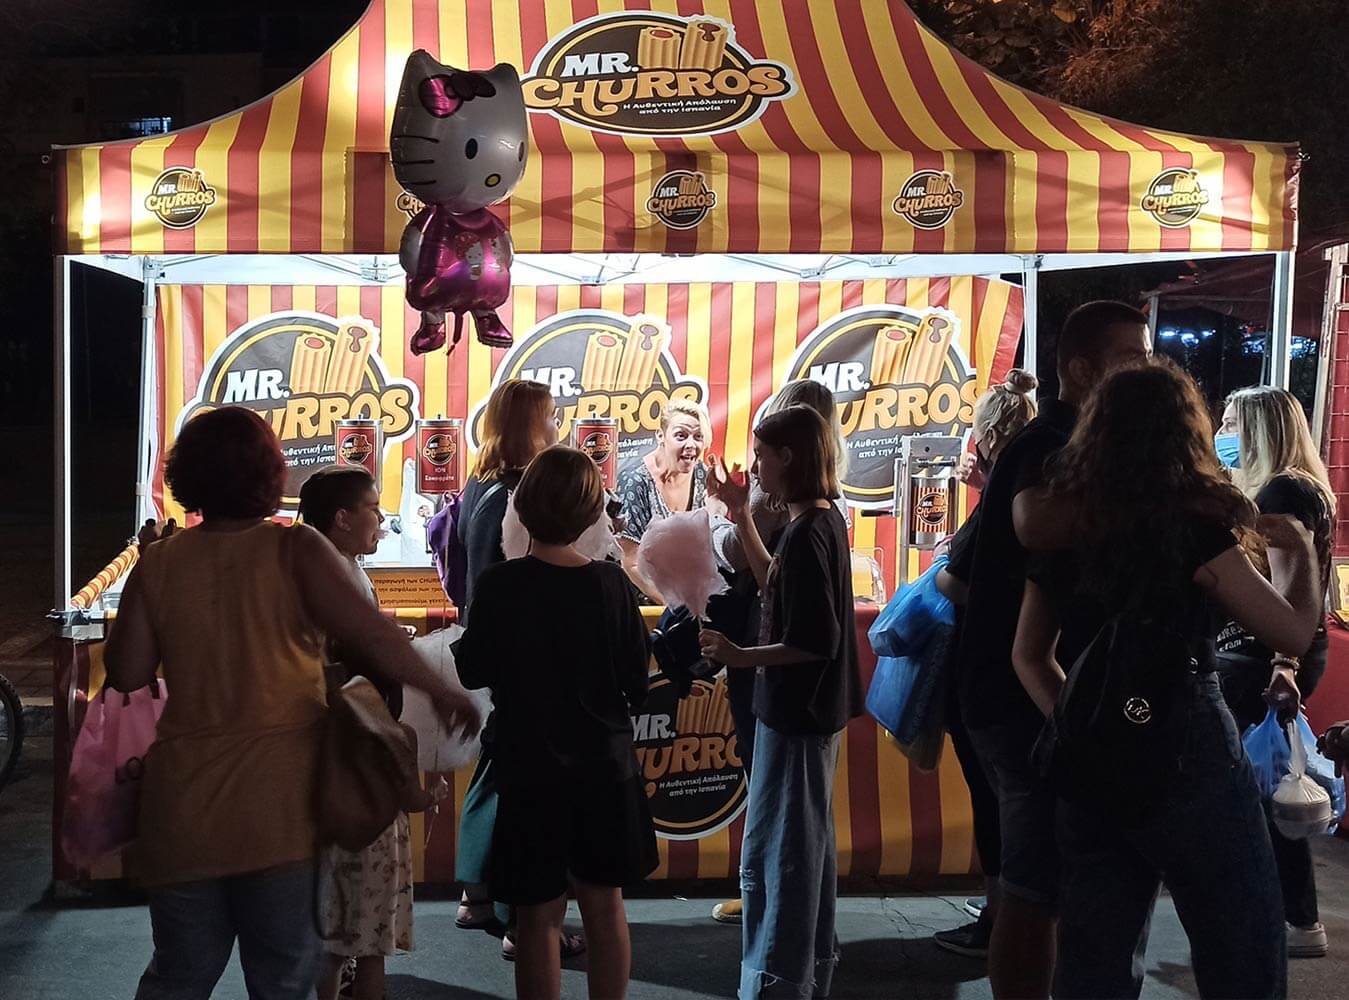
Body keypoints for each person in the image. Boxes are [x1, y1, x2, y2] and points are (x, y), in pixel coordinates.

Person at [104, 406, 480, 1000]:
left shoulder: (162, 562)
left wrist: (149, 571)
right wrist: (444, 691)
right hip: (277, 810)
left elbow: (126, 674)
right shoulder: (295, 549)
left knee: (178, 977)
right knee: (282, 982)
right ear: (268, 473)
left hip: (182, 809)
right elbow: (372, 635)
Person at [1012, 359, 1321, 999]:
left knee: (1094, 952)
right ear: (1187, 433)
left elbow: (1029, 655)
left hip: (1088, 762)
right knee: (1241, 935)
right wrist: (1297, 549)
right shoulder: (1195, 531)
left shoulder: (1064, 530)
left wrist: (1084, 720)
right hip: (1191, 748)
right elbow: (1290, 632)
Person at [954, 301, 1150, 1000]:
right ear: (1082, 368)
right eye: (1131, 357)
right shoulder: (1052, 443)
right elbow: (1031, 525)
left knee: (1050, 881)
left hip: (1039, 695)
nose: (1146, 370)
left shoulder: (1075, 444)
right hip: (1025, 700)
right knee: (1034, 884)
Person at [454, 446, 658, 1000]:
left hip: (530, 771)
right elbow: (636, 683)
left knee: (536, 916)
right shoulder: (612, 586)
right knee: (604, 907)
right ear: (592, 512)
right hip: (603, 768)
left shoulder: (500, 585)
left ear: (521, 506)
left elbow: (473, 669)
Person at [700, 405, 863, 1000]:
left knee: (785, 856)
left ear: (788, 458)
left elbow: (816, 642)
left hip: (797, 716)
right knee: (794, 849)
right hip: (799, 716)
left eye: (762, 456)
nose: (756, 469)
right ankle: (802, 972)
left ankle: (780, 980)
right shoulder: (817, 522)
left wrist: (740, 655)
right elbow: (776, 584)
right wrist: (742, 515)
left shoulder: (811, 530)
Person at [298, 467, 448, 1000]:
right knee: (360, 940)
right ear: (342, 519)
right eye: (372, 509)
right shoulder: (329, 575)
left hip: (341, 759)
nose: (382, 522)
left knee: (333, 934)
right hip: (350, 756)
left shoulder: (340, 569)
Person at [451, 379, 585, 962]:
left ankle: (478, 893)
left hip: (489, 652)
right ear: (532, 424)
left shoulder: (477, 486)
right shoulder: (517, 493)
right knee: (523, 789)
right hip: (524, 659)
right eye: (551, 417)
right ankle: (520, 918)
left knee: (495, 768)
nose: (558, 426)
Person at [1214, 386, 1337, 958]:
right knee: (1265, 787)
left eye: (1232, 423)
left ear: (1261, 429)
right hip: (1272, 655)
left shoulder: (1282, 492)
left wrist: (1284, 666)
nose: (1222, 434)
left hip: (1262, 658)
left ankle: (1293, 920)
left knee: (1261, 793)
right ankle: (1288, 917)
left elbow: (1291, 589)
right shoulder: (1304, 487)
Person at [931, 369, 1038, 959]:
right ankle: (1011, 910)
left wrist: (941, 575)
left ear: (989, 434)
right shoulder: (1031, 486)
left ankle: (1004, 917)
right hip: (1018, 670)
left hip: (993, 671)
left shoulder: (1007, 494)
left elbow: (963, 580)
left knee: (998, 798)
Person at [617, 398, 713, 601]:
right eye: (681, 436)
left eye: (698, 437)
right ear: (660, 435)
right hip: (644, 597)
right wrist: (676, 606)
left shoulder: (703, 474)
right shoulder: (635, 481)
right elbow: (630, 562)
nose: (691, 445)